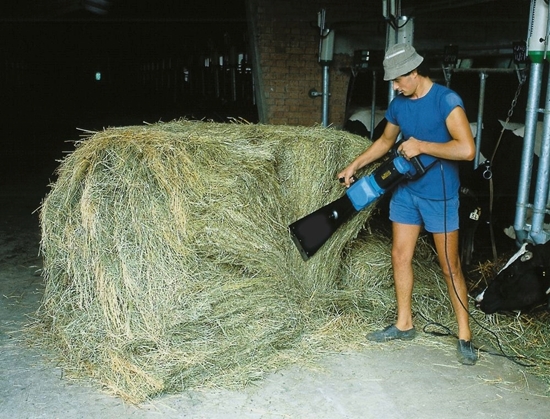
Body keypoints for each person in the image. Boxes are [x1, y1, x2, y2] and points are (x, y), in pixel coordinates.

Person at [337, 43, 477, 365]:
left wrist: (422, 145)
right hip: (407, 191)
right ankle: (404, 323)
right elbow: (386, 142)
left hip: (439, 195)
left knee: (449, 265)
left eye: (399, 80)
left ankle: (465, 334)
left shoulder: (447, 102)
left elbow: (466, 150)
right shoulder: (399, 105)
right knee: (400, 255)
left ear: (414, 73)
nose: (396, 87)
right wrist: (354, 166)